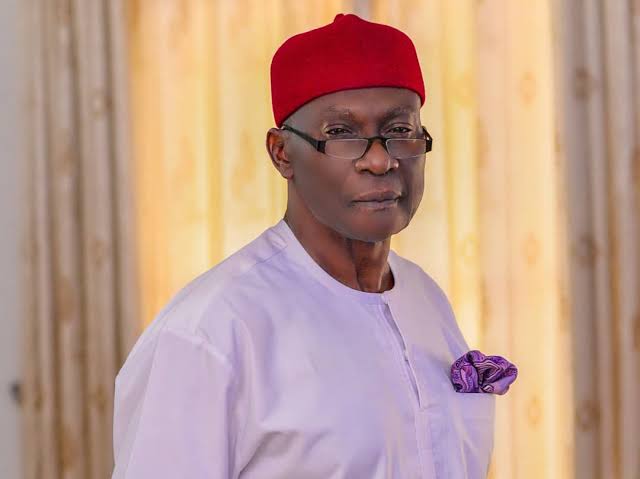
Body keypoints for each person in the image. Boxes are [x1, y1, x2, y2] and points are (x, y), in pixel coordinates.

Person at [112, 13, 499, 478]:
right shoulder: (212, 332)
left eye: (400, 131)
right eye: (341, 134)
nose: (379, 160)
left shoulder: (425, 299)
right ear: (281, 153)